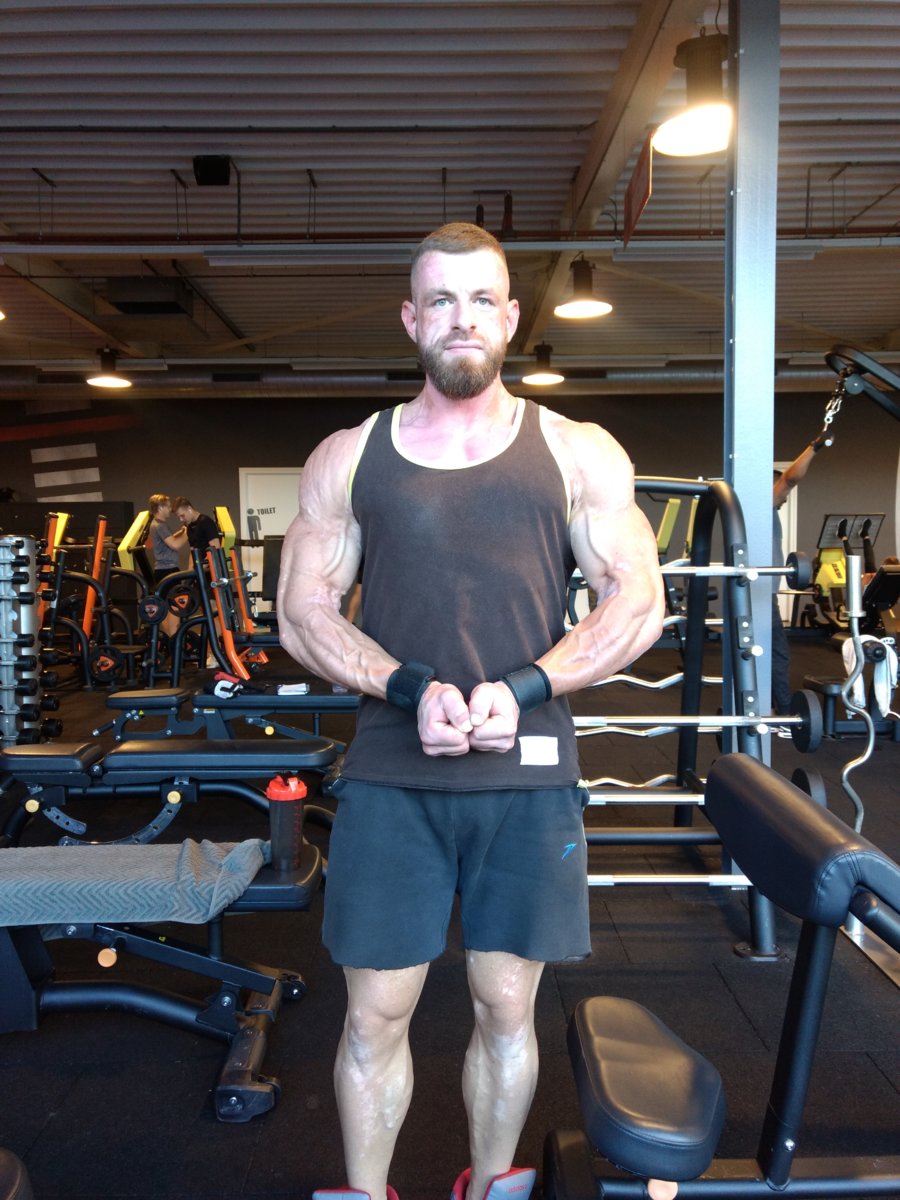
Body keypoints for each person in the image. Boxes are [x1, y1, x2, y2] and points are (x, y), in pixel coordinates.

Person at [276, 222, 664, 1200]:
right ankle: (366, 1193)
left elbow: (637, 602)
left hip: (526, 779)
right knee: (375, 1014)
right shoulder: (348, 457)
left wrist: (525, 688)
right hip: (391, 774)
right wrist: (410, 688)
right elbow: (302, 613)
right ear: (412, 319)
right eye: (441, 300)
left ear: (511, 317)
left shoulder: (574, 451)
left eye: (481, 299)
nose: (463, 318)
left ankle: (491, 1184)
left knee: (504, 1007)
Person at [771, 430, 833, 714]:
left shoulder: (764, 513)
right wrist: (814, 447)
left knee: (768, 653)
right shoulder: (761, 506)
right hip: (759, 596)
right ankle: (783, 713)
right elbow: (789, 479)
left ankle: (768, 708)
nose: (784, 499)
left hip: (762, 594)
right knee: (778, 654)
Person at [146, 493, 187, 639]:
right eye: (168, 506)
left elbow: (167, 541)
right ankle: (174, 640)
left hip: (163, 571)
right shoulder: (160, 526)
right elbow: (175, 545)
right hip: (168, 571)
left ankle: (171, 640)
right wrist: (188, 532)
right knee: (174, 606)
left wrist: (180, 532)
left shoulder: (156, 524)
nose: (170, 509)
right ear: (160, 507)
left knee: (167, 606)